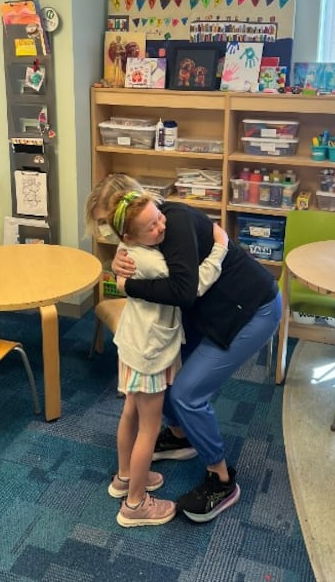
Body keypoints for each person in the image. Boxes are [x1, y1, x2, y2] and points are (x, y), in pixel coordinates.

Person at [85, 174, 282, 523]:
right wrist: (119, 261)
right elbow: (148, 263)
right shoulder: (141, 231)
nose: (110, 232)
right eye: (107, 225)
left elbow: (182, 291)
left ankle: (221, 478)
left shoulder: (169, 225)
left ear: (137, 201)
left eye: (110, 221)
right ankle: (179, 437)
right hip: (205, 309)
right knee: (170, 382)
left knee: (186, 394)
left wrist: (127, 284)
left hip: (248, 308)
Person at [103, 188, 229, 528]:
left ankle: (125, 477)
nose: (162, 228)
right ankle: (135, 505)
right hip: (150, 352)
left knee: (130, 410)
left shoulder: (129, 249)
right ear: (130, 236)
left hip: (133, 344)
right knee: (148, 428)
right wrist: (219, 249)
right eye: (152, 227)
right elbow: (192, 286)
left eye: (160, 218)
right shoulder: (154, 262)